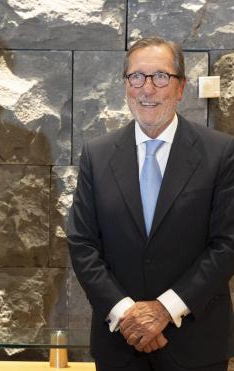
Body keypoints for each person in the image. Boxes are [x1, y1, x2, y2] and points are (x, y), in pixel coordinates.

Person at [68, 37, 234, 371]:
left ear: (180, 87)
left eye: (160, 76)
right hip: (120, 343)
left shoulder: (220, 153)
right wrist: (126, 313)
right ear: (126, 85)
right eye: (137, 77)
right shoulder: (97, 155)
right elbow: (82, 244)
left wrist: (164, 310)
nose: (147, 89)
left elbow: (227, 245)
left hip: (195, 346)